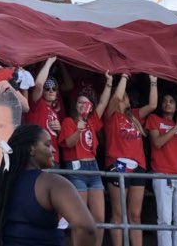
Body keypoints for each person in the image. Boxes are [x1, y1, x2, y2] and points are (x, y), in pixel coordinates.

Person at [0, 124, 97, 246]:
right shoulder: (53, 183)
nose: (53, 150)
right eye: (47, 145)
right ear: (31, 149)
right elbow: (85, 227)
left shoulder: (2, 184)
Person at [103, 73, 158, 246]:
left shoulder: (134, 115)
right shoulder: (111, 116)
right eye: (120, 97)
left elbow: (153, 105)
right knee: (119, 214)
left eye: (125, 97)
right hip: (117, 164)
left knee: (135, 215)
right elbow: (117, 95)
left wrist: (154, 81)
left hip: (138, 166)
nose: (121, 99)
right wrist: (125, 76)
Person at [59, 71, 113, 246]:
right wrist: (78, 129)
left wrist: (109, 82)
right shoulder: (68, 121)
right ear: (75, 105)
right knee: (80, 218)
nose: (83, 105)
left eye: (86, 103)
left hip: (93, 166)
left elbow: (104, 102)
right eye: (80, 102)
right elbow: (69, 142)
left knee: (99, 217)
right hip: (76, 169)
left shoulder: (92, 121)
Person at [146, 92, 177, 246]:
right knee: (165, 219)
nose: (168, 103)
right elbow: (158, 143)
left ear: (176, 106)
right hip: (162, 173)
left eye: (171, 101)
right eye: (165, 101)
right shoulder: (154, 119)